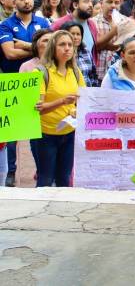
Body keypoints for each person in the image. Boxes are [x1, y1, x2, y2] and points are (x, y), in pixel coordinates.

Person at [0, 0, 51, 185]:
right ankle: (11, 171)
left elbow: (50, 49)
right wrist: (36, 48)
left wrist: (22, 45)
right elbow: (10, 53)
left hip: (42, 82)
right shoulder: (5, 25)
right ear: (14, 1)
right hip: (14, 83)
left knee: (39, 131)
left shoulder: (43, 21)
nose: (27, 1)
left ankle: (42, 170)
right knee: (12, 133)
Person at [33, 30, 85, 187]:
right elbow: (39, 108)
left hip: (69, 133)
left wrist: (77, 110)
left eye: (70, 45)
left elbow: (83, 100)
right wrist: (62, 101)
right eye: (62, 44)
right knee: (46, 179)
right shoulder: (41, 72)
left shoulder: (75, 72)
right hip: (45, 135)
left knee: (64, 178)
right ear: (53, 48)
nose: (67, 48)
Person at [92, 0, 122, 83]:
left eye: (116, 3)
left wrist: (104, 43)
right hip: (98, 74)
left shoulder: (125, 21)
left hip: (120, 75)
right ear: (101, 4)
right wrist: (114, 31)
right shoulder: (93, 22)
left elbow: (124, 46)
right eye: (109, 2)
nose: (113, 5)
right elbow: (96, 46)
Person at [62, 20, 99, 87]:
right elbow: (36, 96)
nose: (75, 37)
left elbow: (93, 75)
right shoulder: (39, 71)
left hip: (87, 94)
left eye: (78, 34)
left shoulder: (86, 51)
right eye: (72, 34)